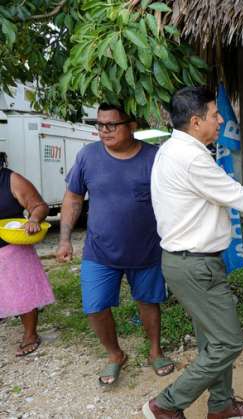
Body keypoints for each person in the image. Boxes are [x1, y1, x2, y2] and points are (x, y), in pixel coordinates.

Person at [144, 87, 243, 419]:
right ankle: (167, 404)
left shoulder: (171, 149)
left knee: (212, 342)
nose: (221, 120)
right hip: (194, 264)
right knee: (228, 343)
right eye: (215, 115)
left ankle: (221, 404)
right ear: (196, 120)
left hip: (190, 261)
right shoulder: (191, 158)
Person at [56, 103, 174, 386]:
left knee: (149, 302)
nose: (104, 131)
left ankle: (155, 351)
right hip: (99, 251)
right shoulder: (87, 156)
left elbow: (172, 201)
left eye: (111, 125)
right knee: (94, 306)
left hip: (146, 250)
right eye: (100, 125)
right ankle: (115, 355)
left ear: (132, 127)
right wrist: (64, 239)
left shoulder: (154, 158)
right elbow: (73, 198)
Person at [0, 152, 54, 357]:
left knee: (23, 294)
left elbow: (39, 206)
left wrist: (34, 219)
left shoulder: (11, 179)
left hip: (12, 246)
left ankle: (30, 334)